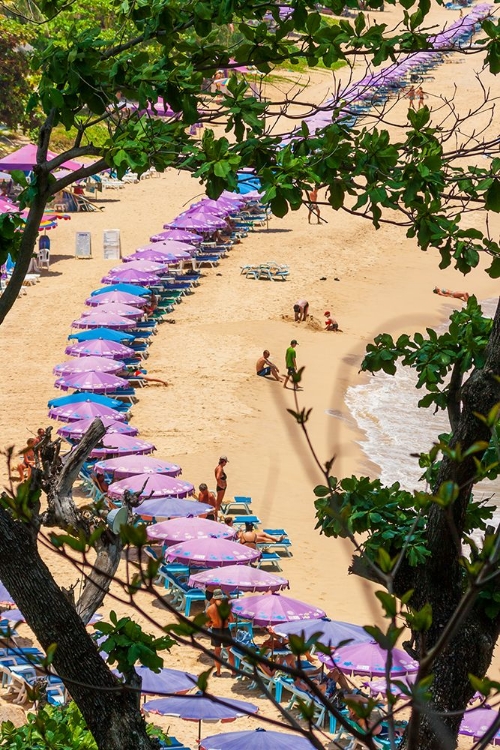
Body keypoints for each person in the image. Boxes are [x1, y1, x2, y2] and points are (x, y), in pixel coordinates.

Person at [206, 588, 235, 676]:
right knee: (230, 651)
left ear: (214, 598)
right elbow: (232, 620)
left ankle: (218, 672)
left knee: (217, 651)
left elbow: (207, 624)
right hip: (225, 629)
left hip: (215, 630)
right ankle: (233, 672)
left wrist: (212, 622)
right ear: (221, 597)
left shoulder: (210, 609)